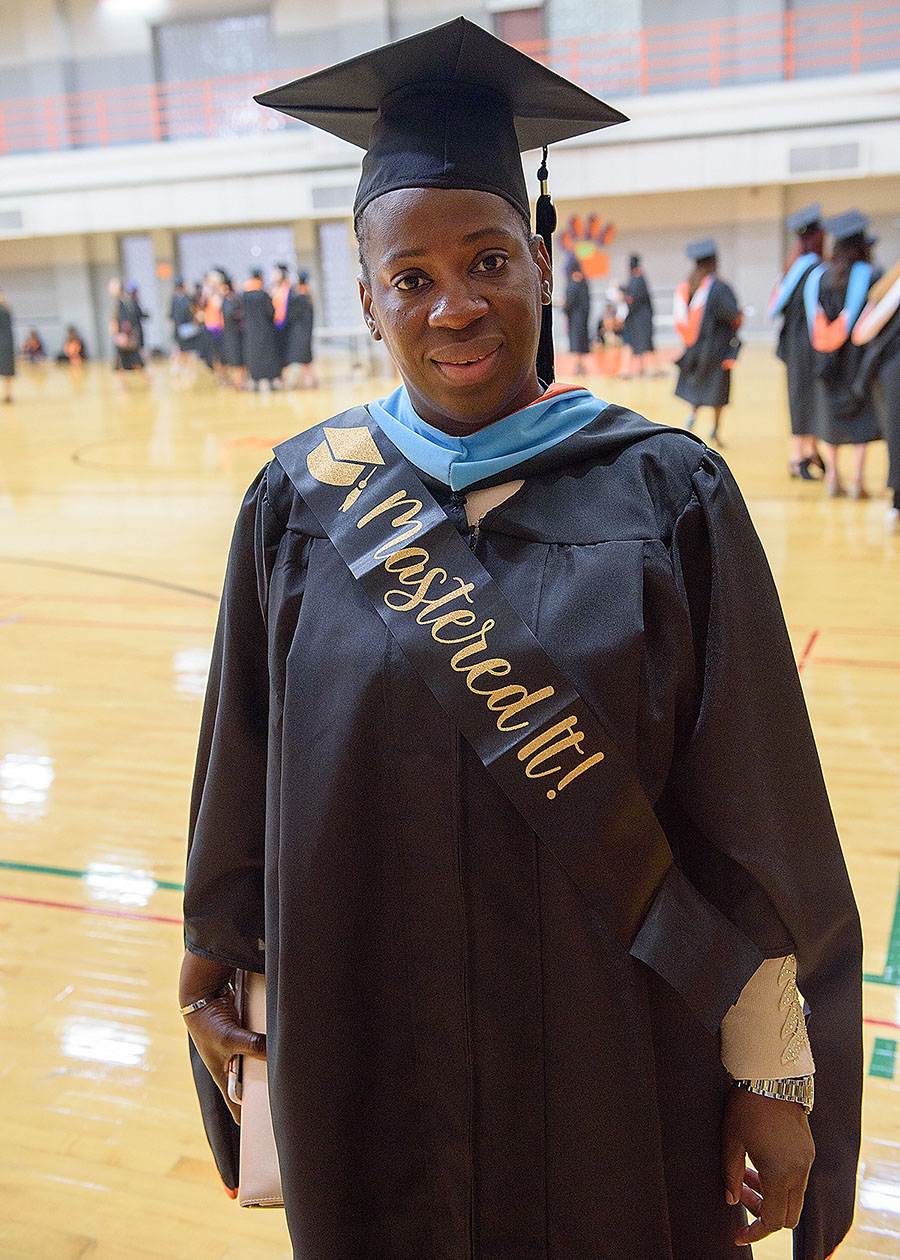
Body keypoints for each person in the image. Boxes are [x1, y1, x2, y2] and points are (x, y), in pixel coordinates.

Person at [180, 20, 861, 1260]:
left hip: (616, 1062)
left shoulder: (668, 495)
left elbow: (752, 814)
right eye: (411, 277)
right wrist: (215, 949)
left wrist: (773, 1072)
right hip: (373, 1055)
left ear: (542, 264)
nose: (455, 307)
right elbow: (244, 769)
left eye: (488, 259)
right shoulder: (299, 504)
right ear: (367, 296)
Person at [803, 210, 880, 498]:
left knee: (830, 418)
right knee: (863, 417)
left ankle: (833, 475)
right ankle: (857, 479)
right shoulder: (871, 276)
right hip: (859, 361)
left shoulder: (819, 278)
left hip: (826, 362)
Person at [768, 205, 826, 480]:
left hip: (792, 343)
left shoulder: (793, 267)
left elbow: (775, 308)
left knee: (799, 396)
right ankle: (799, 457)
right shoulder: (814, 268)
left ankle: (807, 452)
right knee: (805, 397)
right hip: (808, 343)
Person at [674, 239, 742, 445]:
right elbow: (732, 315)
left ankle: (691, 420)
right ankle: (715, 430)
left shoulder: (688, 287)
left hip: (696, 350)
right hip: (717, 350)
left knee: (698, 388)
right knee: (718, 393)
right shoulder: (719, 288)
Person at [851, 252, 900, 530]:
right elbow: (863, 331)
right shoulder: (894, 286)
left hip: (887, 373)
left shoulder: (888, 283)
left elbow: (862, 331)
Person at [618, 253, 657, 378]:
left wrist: (622, 297)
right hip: (637, 317)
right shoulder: (636, 278)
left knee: (643, 343)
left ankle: (652, 369)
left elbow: (633, 298)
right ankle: (642, 368)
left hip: (641, 318)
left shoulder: (638, 278)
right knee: (639, 343)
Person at [241, 270, 279, 390]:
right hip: (265, 331)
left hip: (250, 332)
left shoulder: (244, 295)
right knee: (267, 355)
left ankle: (255, 381)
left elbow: (242, 313)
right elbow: (271, 312)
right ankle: (270, 381)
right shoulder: (263, 295)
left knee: (254, 355)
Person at [283, 270, 318, 388]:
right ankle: (311, 382)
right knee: (307, 360)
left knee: (303, 359)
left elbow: (291, 314)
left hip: (300, 332)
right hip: (306, 332)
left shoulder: (299, 296)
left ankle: (306, 383)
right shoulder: (308, 295)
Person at [109, 278, 143, 377]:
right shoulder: (123, 301)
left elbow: (125, 320)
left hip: (125, 337)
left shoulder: (124, 301)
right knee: (123, 363)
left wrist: (124, 333)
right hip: (124, 336)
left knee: (133, 362)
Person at [563, 259, 591, 375]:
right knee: (582, 340)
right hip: (583, 317)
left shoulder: (572, 283)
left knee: (576, 341)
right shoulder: (584, 282)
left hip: (574, 317)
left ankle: (578, 366)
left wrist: (564, 308)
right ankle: (581, 365)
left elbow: (569, 302)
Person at [170, 277, 199, 376]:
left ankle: (186, 369)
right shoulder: (180, 299)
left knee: (187, 351)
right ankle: (184, 369)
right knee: (184, 351)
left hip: (185, 329)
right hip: (182, 329)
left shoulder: (182, 298)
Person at [270, 262, 292, 376]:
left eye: (276, 273)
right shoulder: (272, 289)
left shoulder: (288, 287)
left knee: (285, 352)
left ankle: (285, 375)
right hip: (275, 324)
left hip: (285, 324)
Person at [0, 289, 14, 403]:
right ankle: (8, 395)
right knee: (7, 372)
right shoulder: (6, 308)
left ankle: (8, 395)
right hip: (8, 344)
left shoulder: (2, 309)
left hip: (3, 344)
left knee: (6, 371)